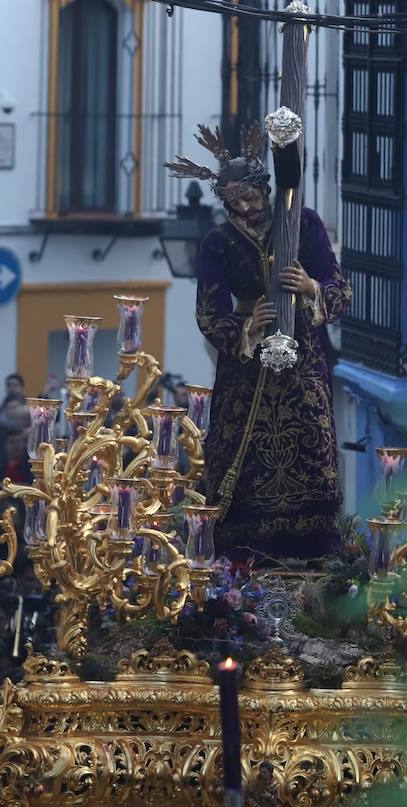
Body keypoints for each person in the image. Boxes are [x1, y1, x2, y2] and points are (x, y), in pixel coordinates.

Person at [169, 124, 350, 561]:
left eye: (249, 197)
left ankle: (315, 543)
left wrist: (309, 287)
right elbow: (208, 313)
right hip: (246, 370)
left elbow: (338, 287)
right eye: (234, 202)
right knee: (241, 451)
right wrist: (247, 327)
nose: (245, 208)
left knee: (310, 436)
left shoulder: (303, 224)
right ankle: (241, 546)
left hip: (302, 354)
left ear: (264, 188)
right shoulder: (218, 242)